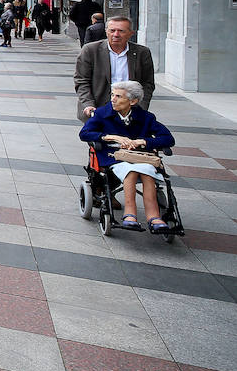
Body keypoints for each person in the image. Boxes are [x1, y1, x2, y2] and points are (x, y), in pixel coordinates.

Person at [79, 81, 175, 232]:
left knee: (147, 171)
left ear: (133, 101)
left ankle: (154, 216)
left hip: (140, 155)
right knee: (130, 171)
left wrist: (143, 141)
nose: (113, 99)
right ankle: (130, 213)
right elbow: (84, 133)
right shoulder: (102, 114)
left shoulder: (146, 117)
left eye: (118, 96)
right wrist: (110, 137)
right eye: (112, 95)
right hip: (113, 156)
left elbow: (168, 138)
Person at [74, 16, 155, 121]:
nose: (116, 35)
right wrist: (88, 104)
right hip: (97, 110)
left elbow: (148, 83)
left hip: (130, 111)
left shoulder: (142, 53)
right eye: (112, 30)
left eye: (121, 31)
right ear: (106, 31)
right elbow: (81, 81)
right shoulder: (90, 50)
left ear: (131, 33)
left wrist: (141, 107)